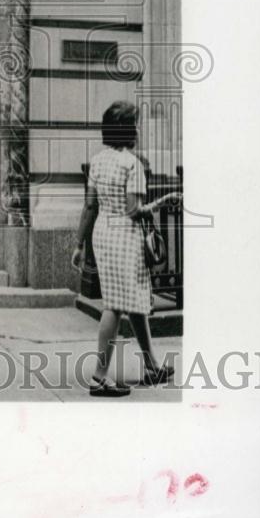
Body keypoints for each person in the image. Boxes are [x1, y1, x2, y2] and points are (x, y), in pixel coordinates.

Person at [71, 101, 181, 397]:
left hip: (103, 233)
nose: (138, 128)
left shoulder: (97, 161)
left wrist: (79, 244)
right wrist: (162, 201)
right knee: (115, 305)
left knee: (127, 300)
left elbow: (90, 206)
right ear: (128, 129)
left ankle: (151, 366)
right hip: (125, 234)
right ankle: (99, 377)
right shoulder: (133, 164)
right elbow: (134, 211)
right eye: (136, 123)